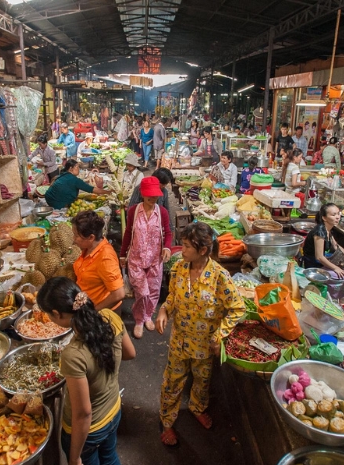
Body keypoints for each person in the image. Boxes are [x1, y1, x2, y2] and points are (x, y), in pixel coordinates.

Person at [156, 223, 245, 446]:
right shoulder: (178, 268)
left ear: (203, 250)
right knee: (172, 381)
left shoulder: (219, 276)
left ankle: (197, 408)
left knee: (202, 380)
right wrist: (164, 310)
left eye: (186, 246)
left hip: (205, 344)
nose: (181, 250)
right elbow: (173, 298)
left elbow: (237, 308)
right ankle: (167, 421)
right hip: (179, 340)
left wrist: (220, 336)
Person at [38, 277, 135, 465]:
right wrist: (104, 355)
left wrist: (74, 459)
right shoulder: (109, 316)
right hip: (114, 411)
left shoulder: (73, 354)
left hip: (90, 431)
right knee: (110, 458)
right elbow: (130, 353)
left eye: (48, 315)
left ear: (57, 314)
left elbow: (83, 413)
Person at [120, 177, 173, 339]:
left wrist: (167, 247)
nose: (152, 198)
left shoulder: (162, 212)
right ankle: (138, 320)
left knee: (154, 292)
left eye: (155, 195)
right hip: (136, 259)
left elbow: (168, 232)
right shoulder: (134, 211)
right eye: (149, 195)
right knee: (142, 293)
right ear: (142, 194)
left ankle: (148, 316)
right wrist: (122, 254)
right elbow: (128, 233)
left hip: (155, 261)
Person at [301, 203, 344, 325]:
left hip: (325, 261)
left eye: (338, 214)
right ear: (324, 217)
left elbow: (337, 246)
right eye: (333, 214)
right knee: (342, 277)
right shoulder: (320, 232)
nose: (338, 217)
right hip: (315, 266)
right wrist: (336, 268)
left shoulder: (327, 230)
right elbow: (319, 257)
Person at [73, 211, 125, 312]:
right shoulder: (88, 248)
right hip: (85, 304)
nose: (74, 239)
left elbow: (119, 294)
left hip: (103, 313)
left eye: (76, 236)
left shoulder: (106, 258)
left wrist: (94, 311)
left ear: (91, 237)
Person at [45, 159, 110, 210]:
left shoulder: (63, 175)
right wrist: (108, 192)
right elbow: (91, 189)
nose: (79, 169)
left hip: (49, 199)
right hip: (56, 203)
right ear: (71, 169)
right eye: (77, 167)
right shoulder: (74, 179)